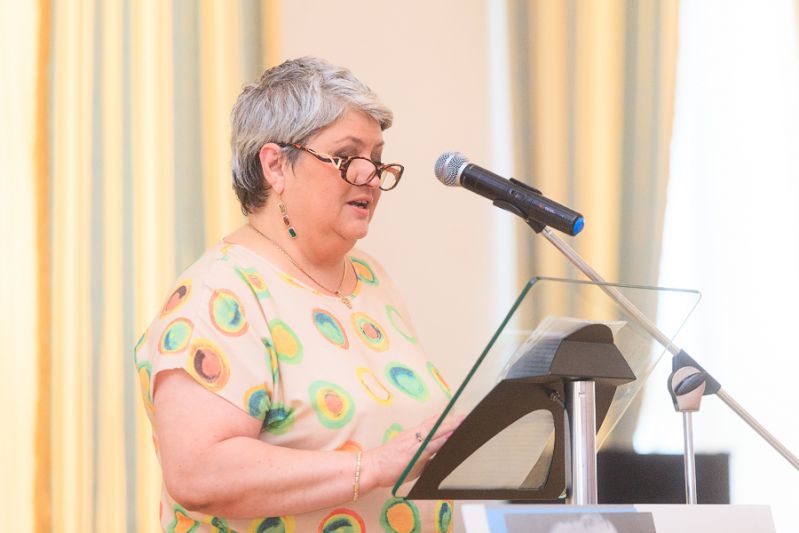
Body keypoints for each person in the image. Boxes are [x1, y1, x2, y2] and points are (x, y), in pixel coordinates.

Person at [133, 56, 459, 532]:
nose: (371, 176)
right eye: (348, 157)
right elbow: (197, 472)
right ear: (275, 166)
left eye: (377, 158)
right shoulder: (220, 293)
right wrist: (371, 467)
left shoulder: (370, 278)